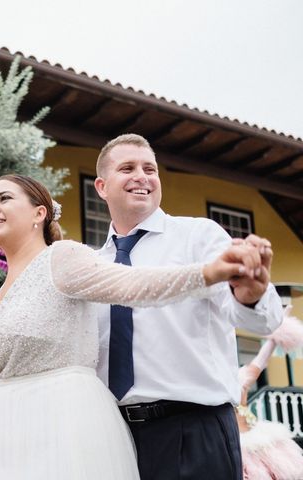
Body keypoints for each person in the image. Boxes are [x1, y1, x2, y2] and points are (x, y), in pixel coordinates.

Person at [0, 173, 266, 479]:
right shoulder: (1, 294)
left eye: (4, 198)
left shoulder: (63, 257)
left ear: (38, 213)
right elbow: (1, 376)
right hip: (6, 433)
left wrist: (208, 272)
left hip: (63, 426)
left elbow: (132, 285)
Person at [92, 133, 283, 480]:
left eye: (150, 168)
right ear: (102, 187)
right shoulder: (91, 265)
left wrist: (251, 294)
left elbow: (259, 320)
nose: (142, 176)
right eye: (128, 168)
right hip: (113, 440)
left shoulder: (199, 236)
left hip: (195, 430)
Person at [237, 306, 303, 479]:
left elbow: (261, 360)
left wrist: (278, 332)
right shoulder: (211, 385)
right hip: (234, 444)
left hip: (255, 441)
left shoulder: (239, 378)